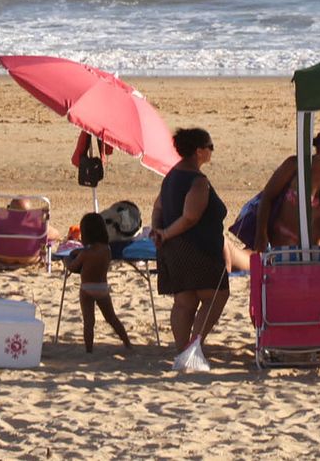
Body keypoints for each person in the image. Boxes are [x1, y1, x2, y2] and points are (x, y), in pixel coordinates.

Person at [151, 127, 229, 352]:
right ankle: (193, 346)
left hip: (174, 249)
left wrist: (159, 231)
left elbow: (158, 207)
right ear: (199, 151)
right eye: (210, 147)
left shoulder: (171, 176)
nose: (212, 152)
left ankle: (182, 350)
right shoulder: (198, 181)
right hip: (197, 249)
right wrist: (163, 233)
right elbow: (190, 217)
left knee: (184, 302)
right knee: (216, 295)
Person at [255, 132, 320, 250]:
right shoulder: (294, 166)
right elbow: (267, 197)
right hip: (282, 237)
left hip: (315, 240)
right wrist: (261, 234)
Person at [67, 212, 133, 353]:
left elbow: (73, 267)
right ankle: (127, 342)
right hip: (102, 288)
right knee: (112, 318)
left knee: (89, 322)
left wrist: (67, 260)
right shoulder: (106, 250)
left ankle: (89, 349)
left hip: (87, 289)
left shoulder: (85, 253)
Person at [0, 196, 60, 265]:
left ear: (9, 209)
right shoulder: (37, 226)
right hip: (30, 258)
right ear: (29, 213)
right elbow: (56, 234)